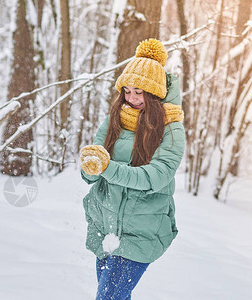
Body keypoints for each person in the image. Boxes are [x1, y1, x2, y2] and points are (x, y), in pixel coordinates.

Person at [79, 38, 185, 299]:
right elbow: (91, 173)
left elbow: (156, 176)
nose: (131, 98)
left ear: (154, 92)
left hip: (142, 229)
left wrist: (107, 168)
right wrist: (90, 167)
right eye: (127, 91)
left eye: (139, 92)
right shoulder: (114, 119)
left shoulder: (171, 128)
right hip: (106, 223)